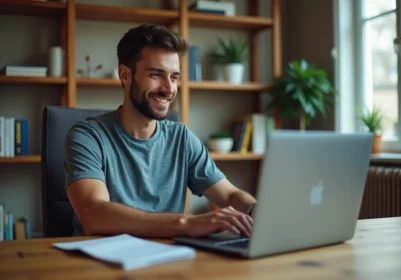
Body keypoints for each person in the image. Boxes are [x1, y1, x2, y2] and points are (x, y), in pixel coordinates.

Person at [64, 23, 258, 238]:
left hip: (168, 260)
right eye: (157, 75)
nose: (169, 89)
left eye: (174, 77)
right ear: (125, 75)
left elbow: (230, 196)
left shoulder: (181, 138)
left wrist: (255, 211)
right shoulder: (87, 136)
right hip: (99, 264)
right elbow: (94, 213)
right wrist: (187, 223)